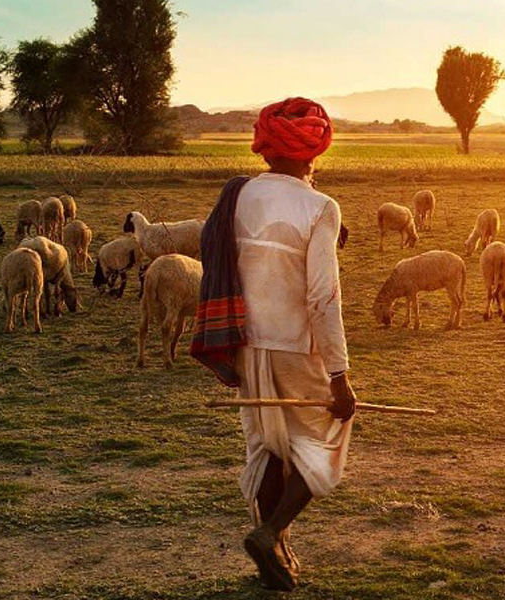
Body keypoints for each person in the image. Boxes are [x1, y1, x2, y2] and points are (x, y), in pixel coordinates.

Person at [193, 97, 355, 591]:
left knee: (266, 444)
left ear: (265, 149)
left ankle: (276, 554)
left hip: (244, 340)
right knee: (323, 440)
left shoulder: (239, 196)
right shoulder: (321, 207)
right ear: (316, 152)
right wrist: (339, 374)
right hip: (294, 345)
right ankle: (270, 532)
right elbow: (323, 296)